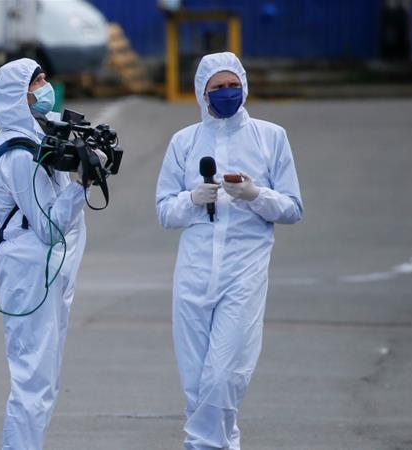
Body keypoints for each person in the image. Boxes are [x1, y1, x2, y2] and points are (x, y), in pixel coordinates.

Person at [155, 52, 303, 449]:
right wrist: (191, 198)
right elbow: (165, 212)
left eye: (232, 85)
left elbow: (292, 208)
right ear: (202, 93)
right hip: (193, 274)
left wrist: (255, 194)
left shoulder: (271, 137)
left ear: (245, 86)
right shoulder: (183, 142)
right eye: (217, 88)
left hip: (244, 271)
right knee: (196, 383)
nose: (226, 94)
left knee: (224, 376)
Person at [0, 58, 104, 450]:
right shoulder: (17, 152)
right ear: (15, 96)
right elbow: (49, 227)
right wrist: (81, 184)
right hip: (30, 271)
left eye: (43, 78)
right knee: (32, 380)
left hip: (43, 268)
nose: (45, 86)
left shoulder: (35, 136)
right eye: (36, 82)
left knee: (44, 380)